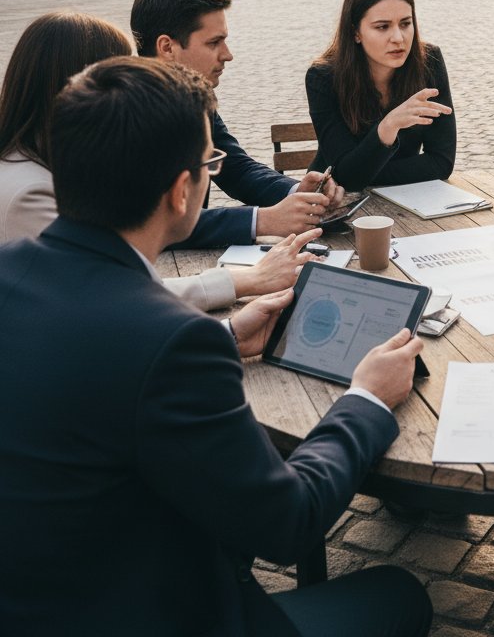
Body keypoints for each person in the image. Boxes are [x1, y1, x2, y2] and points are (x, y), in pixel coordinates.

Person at [0, 57, 432, 636]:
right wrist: (367, 399)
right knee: (401, 594)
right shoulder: (171, 339)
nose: (211, 172)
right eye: (210, 163)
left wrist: (227, 337)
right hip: (149, 612)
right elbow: (286, 523)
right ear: (183, 192)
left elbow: (92, 376)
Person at [0, 11, 316, 309]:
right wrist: (248, 279)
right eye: (123, 72)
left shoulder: (47, 163)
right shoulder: (30, 191)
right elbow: (116, 296)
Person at [132, 0, 343, 247]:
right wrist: (262, 220)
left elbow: (235, 168)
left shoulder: (194, 97)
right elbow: (154, 221)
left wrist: (295, 192)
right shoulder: (124, 111)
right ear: (167, 48)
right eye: (214, 42)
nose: (227, 54)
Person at [305, 0, 455, 192]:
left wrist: (365, 171)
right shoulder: (323, 78)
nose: (398, 38)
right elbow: (347, 179)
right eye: (382, 27)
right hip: (334, 203)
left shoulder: (428, 62)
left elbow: (441, 163)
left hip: (405, 199)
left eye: (405, 23)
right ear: (356, 32)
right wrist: (388, 126)